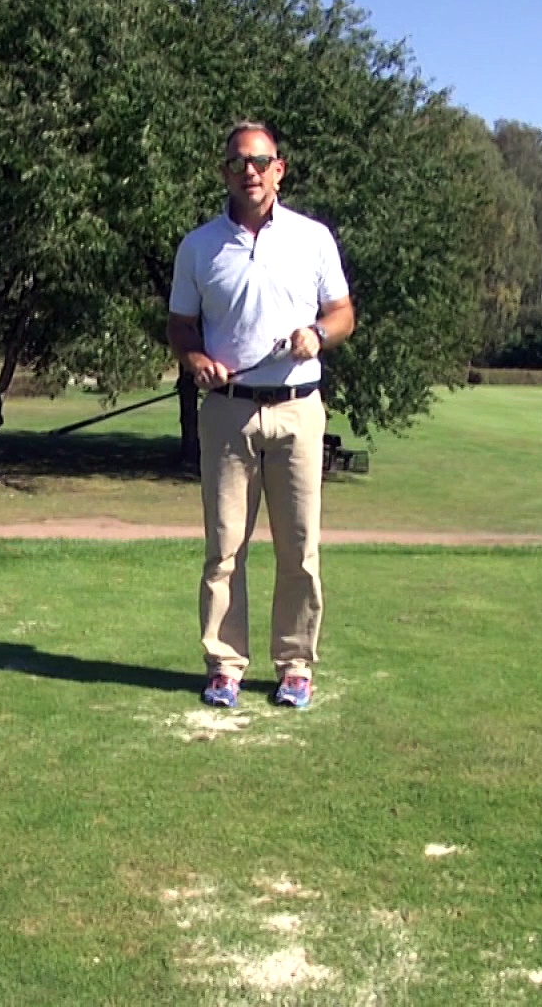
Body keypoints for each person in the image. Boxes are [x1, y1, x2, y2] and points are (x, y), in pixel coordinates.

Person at [167, 121, 355, 710]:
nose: (248, 171)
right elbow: (180, 326)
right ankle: (225, 665)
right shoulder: (199, 246)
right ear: (224, 172)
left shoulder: (313, 238)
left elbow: (343, 313)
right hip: (228, 413)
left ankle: (295, 666)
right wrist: (197, 360)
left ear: (279, 169)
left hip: (298, 409)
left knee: (299, 549)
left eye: (259, 161)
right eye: (237, 162)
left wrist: (318, 334)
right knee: (224, 549)